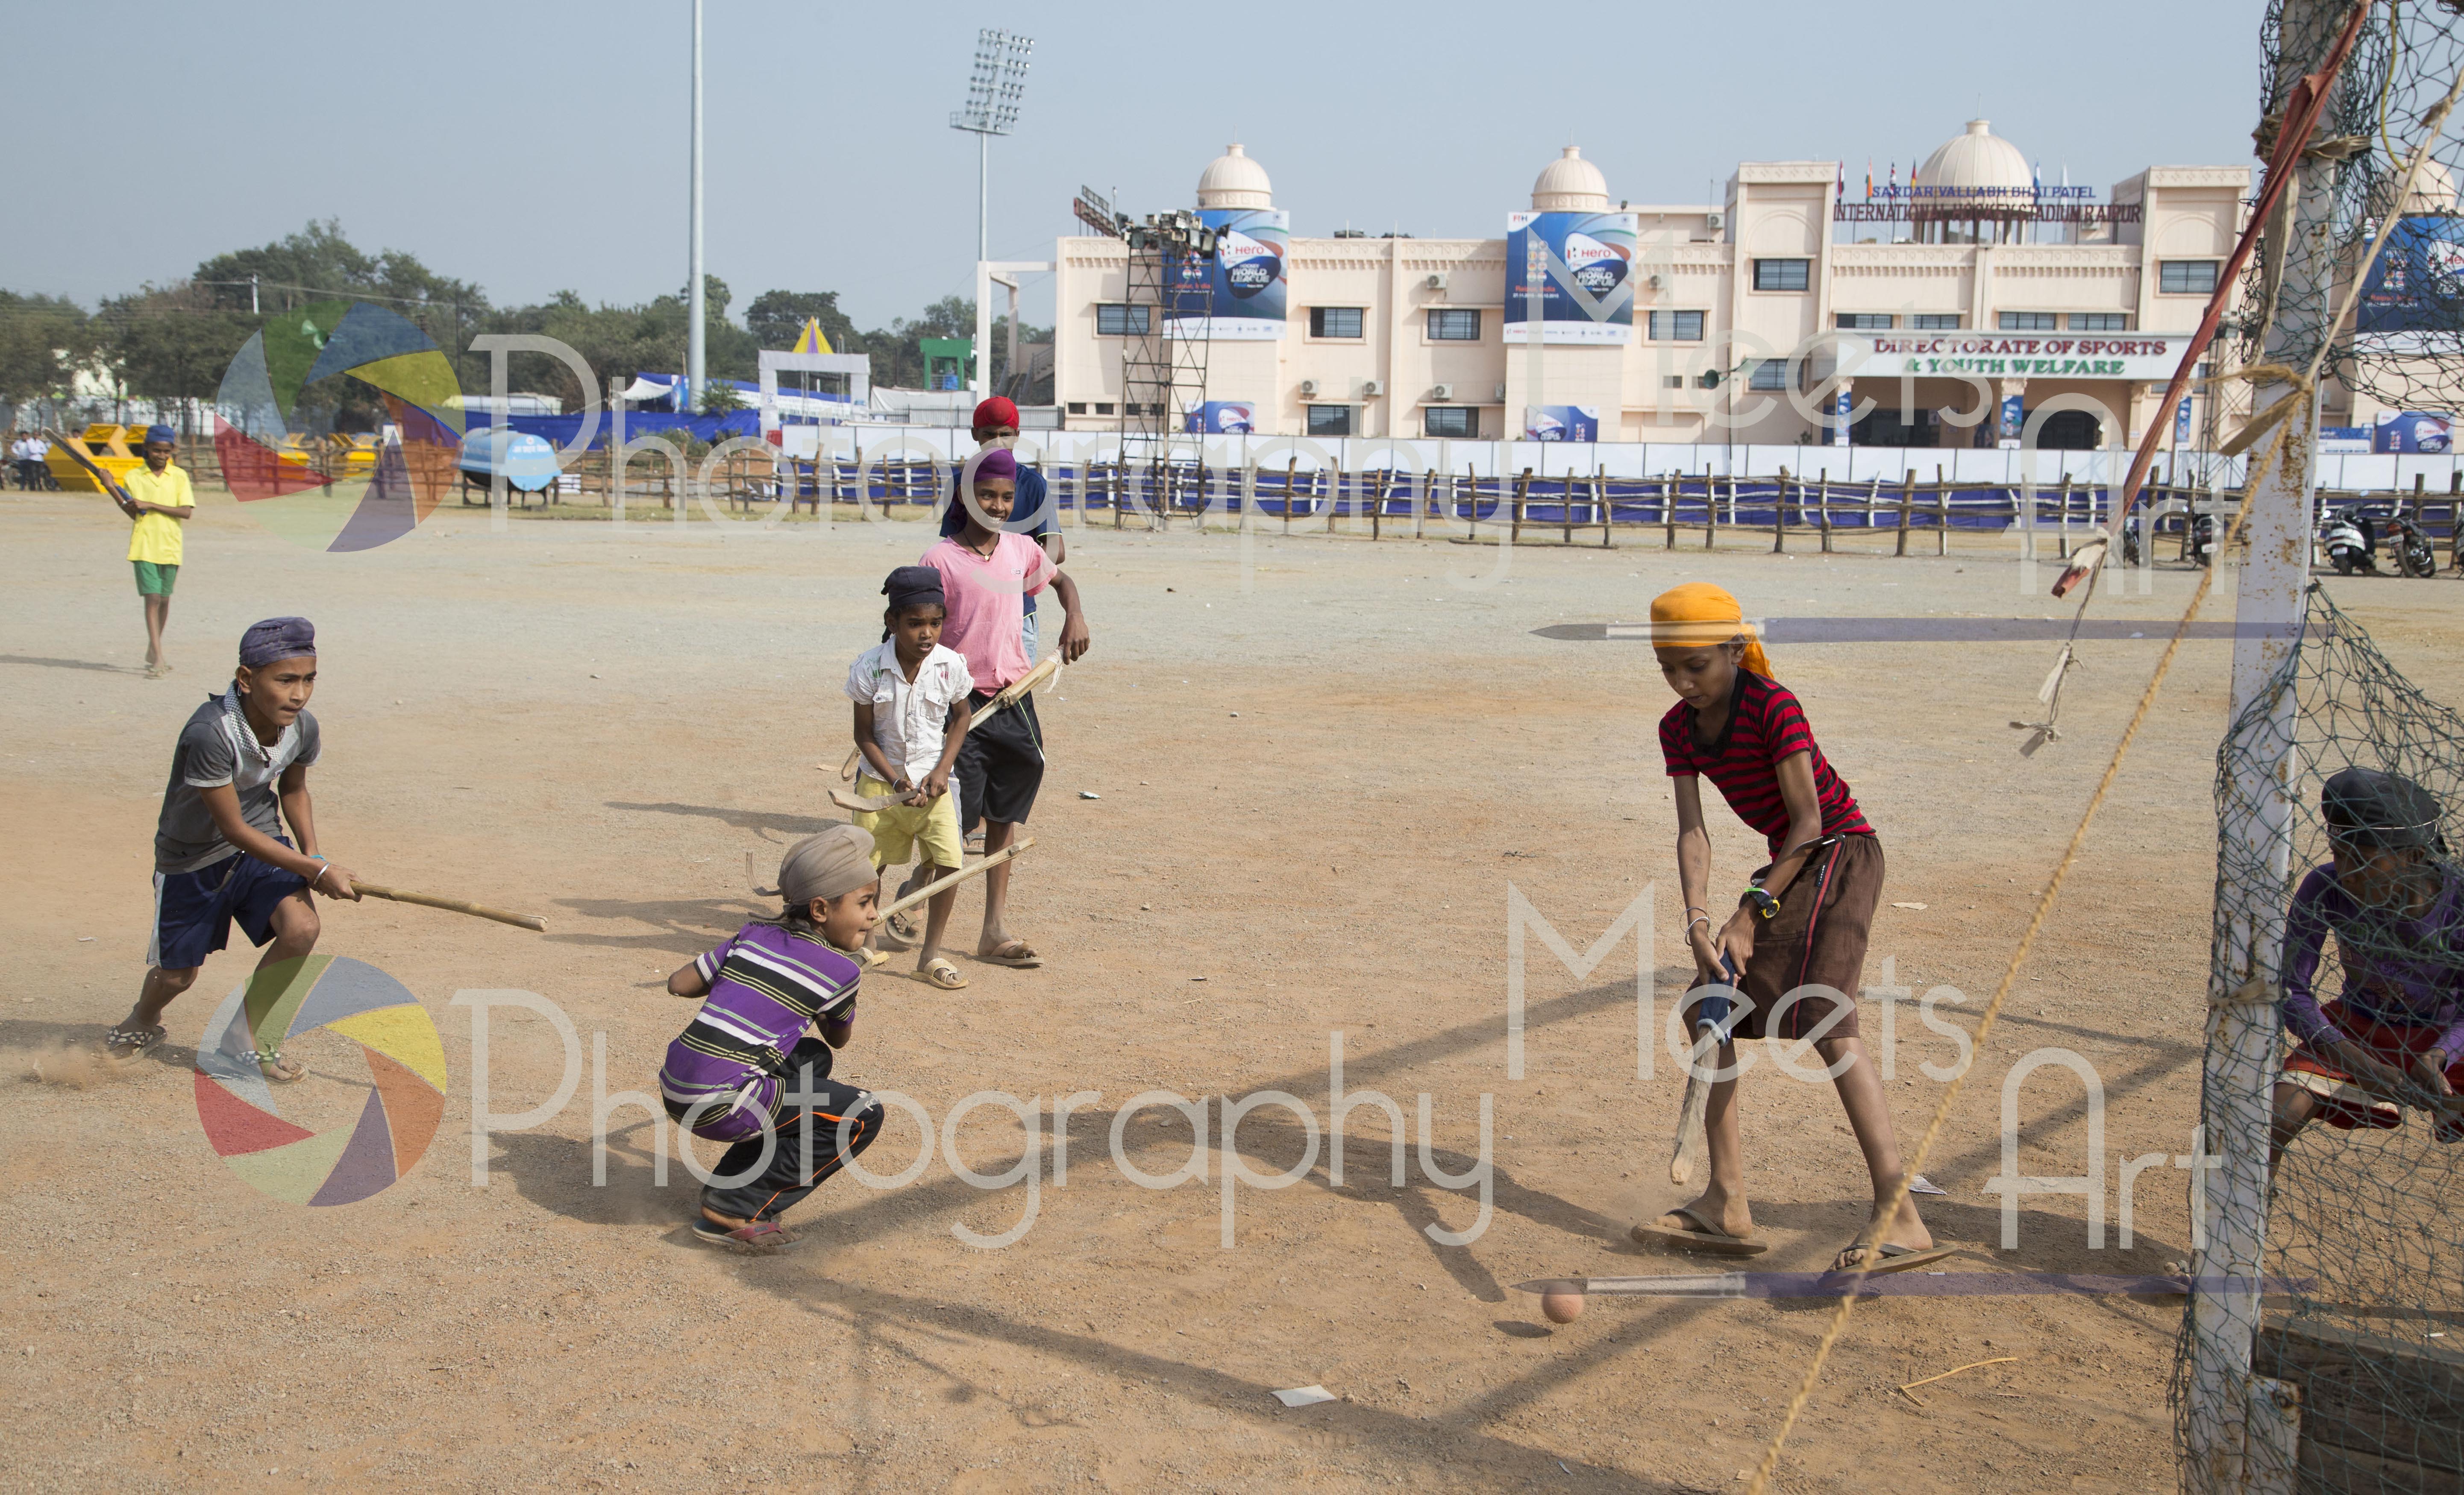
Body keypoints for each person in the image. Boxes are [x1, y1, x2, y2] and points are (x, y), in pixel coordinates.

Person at [1646, 582, 1929, 1272]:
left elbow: (1808, 823)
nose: (1684, 684)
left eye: (1698, 667)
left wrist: (1749, 914)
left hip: (1838, 852)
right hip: (1790, 866)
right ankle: (1727, 1204)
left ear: (1736, 652)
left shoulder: (1773, 706)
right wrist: (1698, 920)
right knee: (1704, 1007)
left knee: (1828, 1019)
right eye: (1669, 670)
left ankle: (1903, 1218)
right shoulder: (1676, 729)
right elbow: (1692, 831)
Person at [106, 617, 361, 1077]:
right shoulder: (211, 732)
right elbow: (232, 828)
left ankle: (242, 1036)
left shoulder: (302, 726)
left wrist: (314, 856)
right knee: (177, 976)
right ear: (246, 679)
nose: (299, 693)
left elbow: (294, 790)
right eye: (285, 680)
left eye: (308, 679)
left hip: (260, 842)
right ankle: (142, 1020)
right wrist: (316, 872)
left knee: (301, 928)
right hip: (194, 857)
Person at [659, 825, 889, 1252]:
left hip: (677, 1084)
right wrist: (843, 977)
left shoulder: (752, 935)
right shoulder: (839, 971)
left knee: (810, 1060)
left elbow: (679, 983)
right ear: (821, 909)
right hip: (720, 1102)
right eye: (864, 903)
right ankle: (735, 1204)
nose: (874, 914)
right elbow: (840, 1036)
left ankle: (735, 1185)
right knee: (861, 1111)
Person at [921, 447, 1090, 969]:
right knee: (952, 822)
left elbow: (1062, 581)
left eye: (1005, 497)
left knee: (1004, 812)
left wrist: (1075, 617)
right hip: (960, 706)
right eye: (986, 495)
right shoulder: (939, 559)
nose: (996, 504)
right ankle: (929, 946)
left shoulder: (1021, 550)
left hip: (1014, 697)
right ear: (964, 497)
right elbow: (911, 631)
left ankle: (993, 930)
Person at [2271, 767, 2464, 1166]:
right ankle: (2236, 1226)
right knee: (2270, 1122)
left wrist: (2439, 1055)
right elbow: (2291, 991)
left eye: (2363, 860)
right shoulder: (2324, 887)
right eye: (2339, 855)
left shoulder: (2458, 900)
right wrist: (2357, 1061)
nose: (2346, 872)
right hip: (2356, 1030)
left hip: (2447, 1036)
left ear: (2414, 856)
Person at [846, 565, 975, 991]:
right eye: (915, 623)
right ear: (892, 622)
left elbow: (961, 717)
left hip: (937, 785)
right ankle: (865, 941)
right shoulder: (869, 667)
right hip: (881, 787)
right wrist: (897, 780)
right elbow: (863, 734)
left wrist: (940, 771)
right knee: (870, 866)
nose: (926, 633)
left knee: (950, 864)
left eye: (935, 623)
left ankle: (930, 953)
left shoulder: (949, 664)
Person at [940, 396, 1088, 669]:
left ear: (1017, 436)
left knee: (1012, 700)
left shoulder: (1032, 485)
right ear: (975, 435)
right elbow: (952, 551)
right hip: (968, 615)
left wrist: (1009, 574)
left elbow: (1057, 550)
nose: (998, 442)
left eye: (1005, 435)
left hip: (1018, 614)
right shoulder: (961, 484)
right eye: (989, 435)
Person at [119, 424, 196, 678]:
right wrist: (110, 487)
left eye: (166, 451)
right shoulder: (134, 477)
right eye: (156, 450)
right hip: (144, 545)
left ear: (172, 450)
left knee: (164, 600)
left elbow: (186, 511)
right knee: (152, 599)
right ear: (147, 449)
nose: (161, 456)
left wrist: (151, 504)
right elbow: (131, 510)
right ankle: (159, 655)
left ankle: (154, 648)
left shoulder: (179, 477)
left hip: (171, 546)